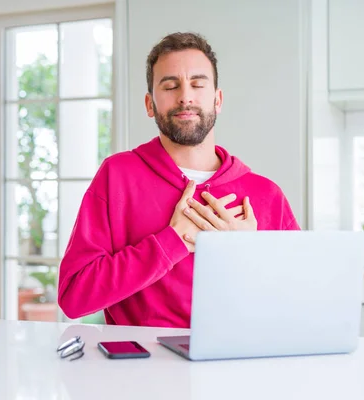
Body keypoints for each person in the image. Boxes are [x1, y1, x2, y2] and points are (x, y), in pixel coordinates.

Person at [58, 32, 299, 328]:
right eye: (171, 85)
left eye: (198, 84)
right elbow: (74, 297)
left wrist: (248, 252)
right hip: (140, 370)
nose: (185, 95)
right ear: (150, 104)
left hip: (238, 369)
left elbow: (300, 303)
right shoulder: (117, 176)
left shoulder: (266, 195)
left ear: (217, 99)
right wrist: (170, 242)